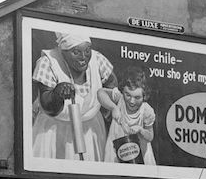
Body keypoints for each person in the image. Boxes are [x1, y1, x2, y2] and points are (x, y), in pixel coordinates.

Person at [32, 31, 117, 161]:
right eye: (76, 52)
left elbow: (111, 83)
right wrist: (57, 94)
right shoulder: (48, 62)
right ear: (63, 51)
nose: (84, 57)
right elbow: (48, 106)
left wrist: (109, 106)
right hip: (54, 133)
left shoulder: (97, 59)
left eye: (87, 50)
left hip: (91, 132)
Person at [98, 66, 157, 165]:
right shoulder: (120, 98)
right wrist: (114, 108)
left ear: (144, 96)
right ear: (123, 91)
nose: (132, 101)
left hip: (139, 153)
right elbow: (100, 92)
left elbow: (150, 136)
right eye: (128, 95)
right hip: (116, 150)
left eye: (137, 97)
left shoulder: (147, 111)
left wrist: (141, 130)